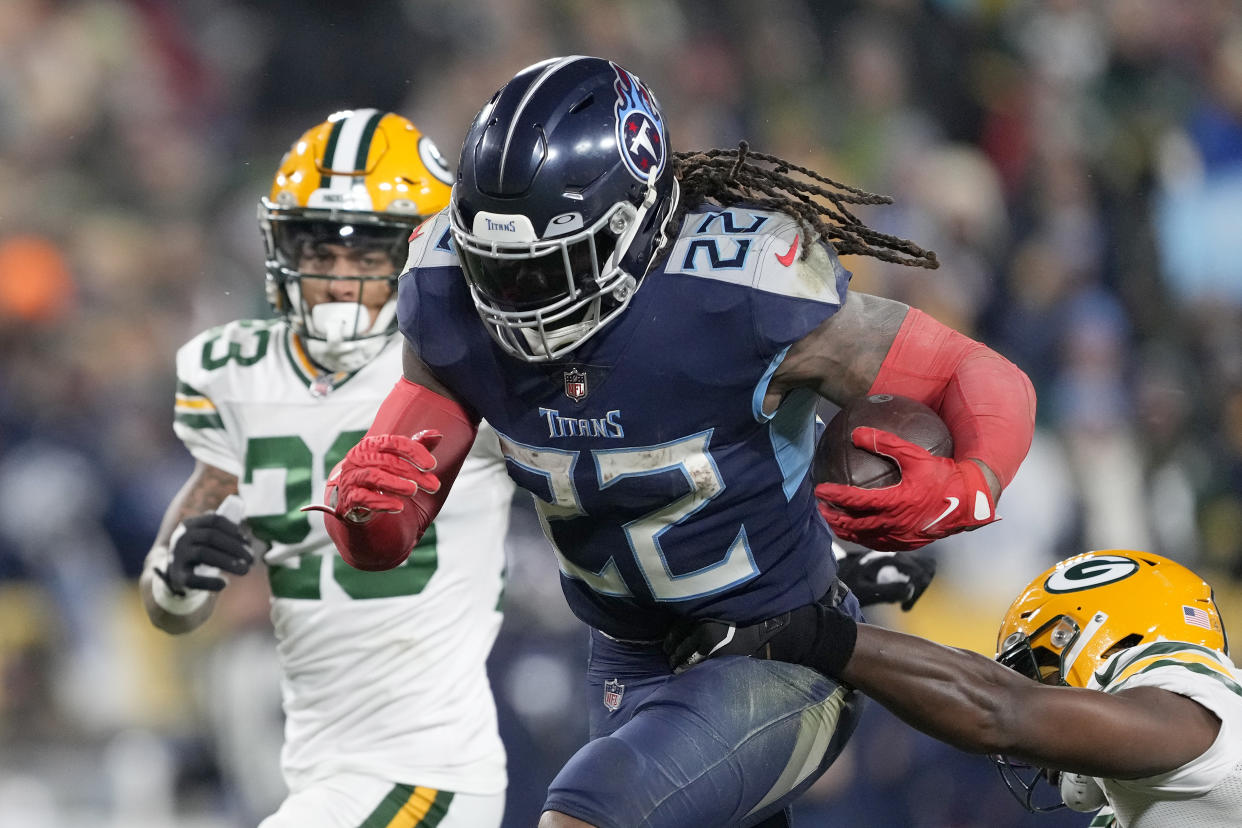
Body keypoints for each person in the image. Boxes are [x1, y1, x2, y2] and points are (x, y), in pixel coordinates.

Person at [308, 56, 1036, 828]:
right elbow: (389, 510)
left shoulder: (738, 295)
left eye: (553, 264)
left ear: (635, 221)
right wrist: (364, 519)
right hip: (622, 661)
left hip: (775, 655)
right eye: (500, 268)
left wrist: (974, 478)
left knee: (585, 818)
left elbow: (975, 372)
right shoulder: (449, 292)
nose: (516, 298)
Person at [139, 109, 517, 828]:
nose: (341, 280)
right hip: (316, 765)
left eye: (368, 256)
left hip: (424, 762)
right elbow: (170, 599)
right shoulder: (239, 371)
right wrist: (179, 577)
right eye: (321, 251)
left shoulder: (469, 369)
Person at [668, 549, 1242, 827]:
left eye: (1037, 668)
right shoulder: (1143, 793)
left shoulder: (1199, 715)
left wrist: (809, 633)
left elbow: (1001, 710)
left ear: (1096, 639)